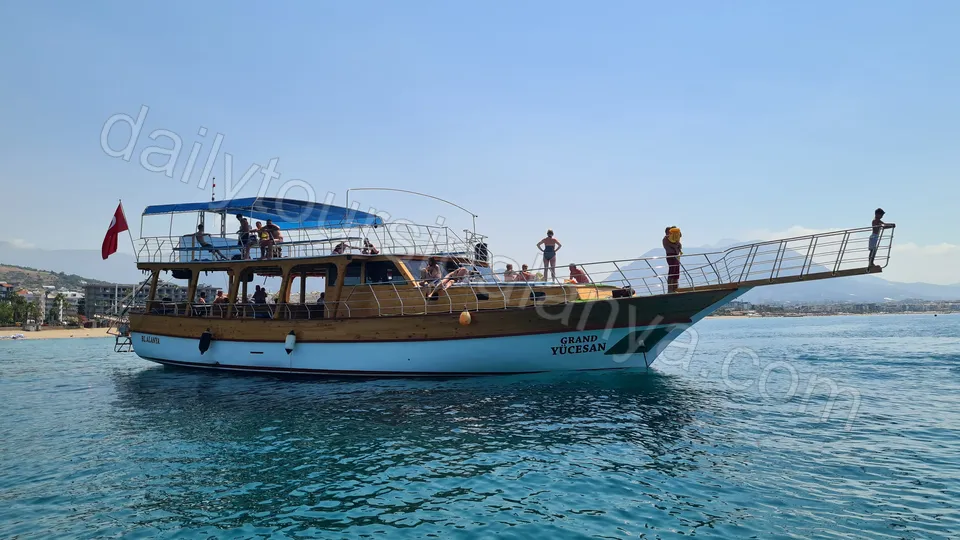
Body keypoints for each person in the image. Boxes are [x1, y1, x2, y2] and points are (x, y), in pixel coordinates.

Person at [663, 226, 682, 293]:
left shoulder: (673, 239)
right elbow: (674, 245)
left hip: (676, 256)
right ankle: (670, 289)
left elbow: (679, 245)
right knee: (672, 272)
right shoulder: (665, 239)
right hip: (671, 256)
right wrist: (677, 244)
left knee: (676, 272)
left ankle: (676, 288)